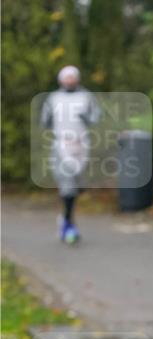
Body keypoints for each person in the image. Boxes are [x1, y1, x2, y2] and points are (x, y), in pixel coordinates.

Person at [40, 65, 100, 244]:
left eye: (72, 77)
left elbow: (96, 116)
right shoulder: (53, 98)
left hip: (81, 145)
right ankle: (68, 224)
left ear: (78, 79)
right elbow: (45, 121)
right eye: (66, 78)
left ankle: (67, 219)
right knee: (67, 185)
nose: (70, 81)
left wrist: (86, 119)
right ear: (60, 80)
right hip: (62, 145)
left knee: (75, 185)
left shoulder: (87, 96)